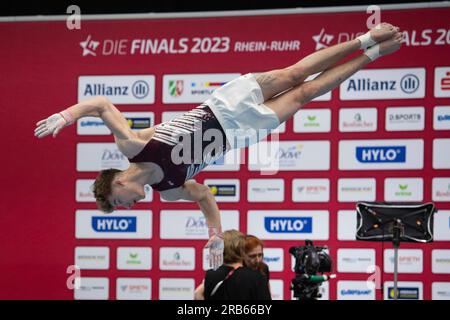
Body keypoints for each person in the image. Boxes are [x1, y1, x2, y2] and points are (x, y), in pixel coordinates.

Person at [34, 23, 403, 269]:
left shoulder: (133, 146)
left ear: (117, 181)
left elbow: (100, 105)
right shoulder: (169, 191)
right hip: (240, 133)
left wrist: (66, 116)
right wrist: (214, 236)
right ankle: (373, 57)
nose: (129, 205)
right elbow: (205, 195)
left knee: (294, 75)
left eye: (120, 201)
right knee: (306, 94)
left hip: (224, 106)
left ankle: (365, 39)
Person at [194, 230, 271, 300]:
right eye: (252, 256)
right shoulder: (256, 276)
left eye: (260, 255)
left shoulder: (263, 269)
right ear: (242, 253)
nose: (257, 260)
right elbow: (198, 293)